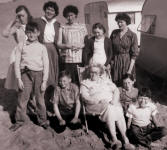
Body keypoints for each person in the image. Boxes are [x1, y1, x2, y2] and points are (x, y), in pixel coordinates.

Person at [80, 64, 135, 150]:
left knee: (117, 107)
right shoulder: (85, 83)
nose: (93, 74)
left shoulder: (105, 80)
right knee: (111, 108)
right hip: (94, 105)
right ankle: (115, 139)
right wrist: (97, 101)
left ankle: (125, 139)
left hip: (110, 104)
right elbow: (85, 97)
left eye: (96, 72)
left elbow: (116, 90)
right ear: (88, 73)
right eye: (91, 72)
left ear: (100, 73)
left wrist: (115, 100)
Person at [9, 22, 49, 131]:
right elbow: (17, 63)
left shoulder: (42, 47)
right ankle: (19, 121)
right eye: (29, 32)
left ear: (38, 33)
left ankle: (43, 120)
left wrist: (44, 81)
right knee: (22, 98)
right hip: (25, 74)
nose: (31, 35)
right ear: (26, 32)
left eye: (34, 32)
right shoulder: (21, 45)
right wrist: (18, 79)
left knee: (40, 99)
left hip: (39, 75)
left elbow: (46, 64)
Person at [2, 5, 33, 90]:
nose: (21, 18)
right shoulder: (17, 27)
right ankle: (20, 93)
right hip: (19, 51)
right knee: (19, 74)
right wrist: (13, 21)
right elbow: (4, 34)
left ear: (27, 14)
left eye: (23, 15)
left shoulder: (32, 25)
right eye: (19, 16)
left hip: (32, 51)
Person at [57, 5, 87, 84]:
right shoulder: (62, 27)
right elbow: (58, 44)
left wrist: (80, 46)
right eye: (67, 16)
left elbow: (86, 43)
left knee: (80, 80)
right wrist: (67, 46)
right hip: (67, 59)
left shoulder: (82, 27)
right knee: (68, 80)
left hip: (80, 58)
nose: (69, 17)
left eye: (71, 15)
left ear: (75, 15)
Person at [35, 1, 60, 88]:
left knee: (53, 71)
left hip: (53, 50)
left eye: (52, 10)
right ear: (45, 10)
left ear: (55, 13)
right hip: (42, 48)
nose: (49, 12)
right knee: (43, 70)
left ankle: (53, 93)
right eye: (48, 9)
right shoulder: (37, 21)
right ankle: (41, 92)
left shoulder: (57, 24)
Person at [110, 13, 139, 87]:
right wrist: (111, 62)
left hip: (127, 61)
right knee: (115, 82)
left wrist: (130, 69)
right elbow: (110, 48)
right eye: (118, 22)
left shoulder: (132, 35)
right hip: (116, 60)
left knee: (126, 82)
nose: (119, 24)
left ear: (126, 22)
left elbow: (134, 54)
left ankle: (128, 97)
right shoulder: (114, 33)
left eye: (121, 22)